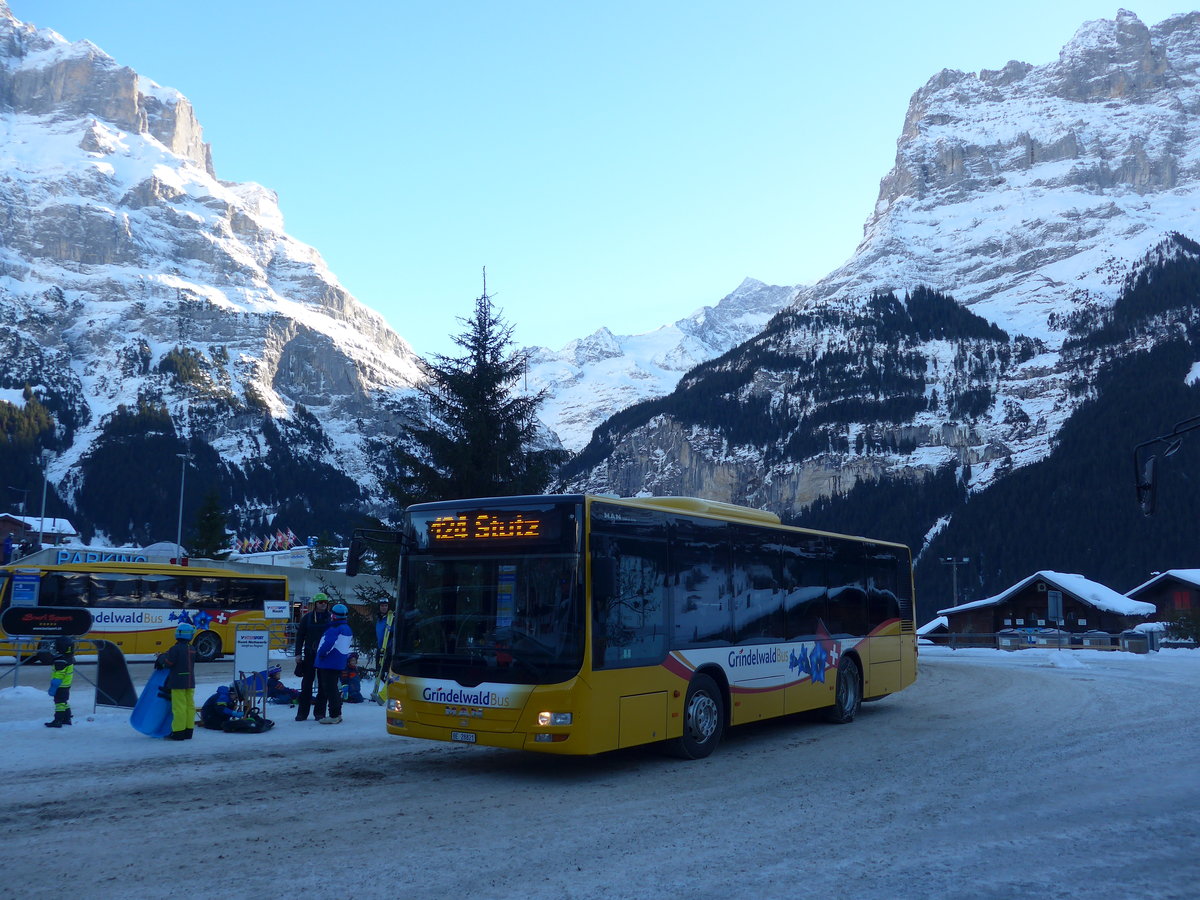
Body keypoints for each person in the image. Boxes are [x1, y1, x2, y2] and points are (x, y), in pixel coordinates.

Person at [292, 593, 331, 721]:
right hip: (309, 655)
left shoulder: (330, 618)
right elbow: (300, 637)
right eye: (320, 602)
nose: (323, 604)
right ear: (315, 604)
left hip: (324, 656)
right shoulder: (307, 618)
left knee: (323, 685)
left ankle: (319, 713)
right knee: (306, 685)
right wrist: (298, 653)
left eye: (325, 602)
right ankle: (302, 713)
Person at [155, 622, 197, 741]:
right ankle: (188, 731)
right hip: (190, 682)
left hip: (178, 682)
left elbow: (168, 663)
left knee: (179, 708)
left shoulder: (175, 648)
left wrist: (161, 657)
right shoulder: (192, 649)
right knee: (190, 706)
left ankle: (178, 732)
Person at [313, 602, 352, 724]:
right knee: (333, 688)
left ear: (334, 616)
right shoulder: (346, 628)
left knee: (330, 690)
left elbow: (328, 644)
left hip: (328, 663)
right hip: (338, 662)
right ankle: (337, 713)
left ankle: (334, 715)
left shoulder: (335, 628)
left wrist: (321, 654)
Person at [44, 636, 75, 728]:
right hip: (66, 684)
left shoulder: (60, 661)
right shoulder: (69, 658)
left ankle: (58, 720)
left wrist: (53, 687)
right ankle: (67, 718)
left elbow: (58, 676)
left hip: (60, 685)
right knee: (64, 701)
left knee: (59, 702)